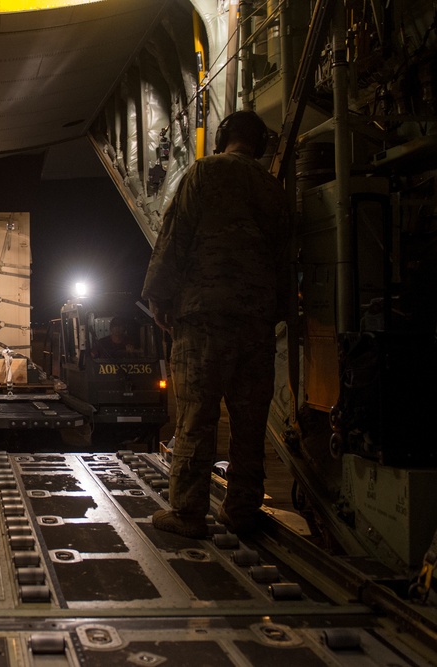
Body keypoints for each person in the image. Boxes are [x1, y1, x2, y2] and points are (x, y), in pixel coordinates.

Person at [141, 110, 292, 537]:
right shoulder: (273, 188)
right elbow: (284, 257)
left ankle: (188, 513)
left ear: (222, 137)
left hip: (203, 316)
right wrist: (276, 310)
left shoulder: (205, 172)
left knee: (197, 415)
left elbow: (175, 235)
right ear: (258, 145)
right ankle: (242, 509)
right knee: (249, 422)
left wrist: (159, 296)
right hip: (256, 321)